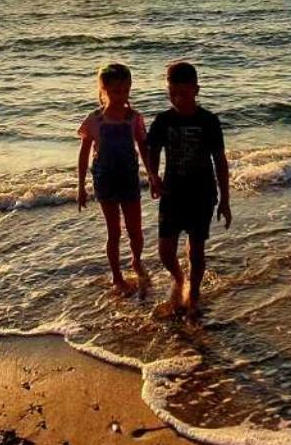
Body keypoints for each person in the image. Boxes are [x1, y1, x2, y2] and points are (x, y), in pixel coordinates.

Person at [146, 60, 230, 318]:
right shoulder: (163, 120)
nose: (178, 99)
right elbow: (152, 151)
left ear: (196, 89)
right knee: (165, 250)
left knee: (197, 249)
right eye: (172, 94)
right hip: (172, 193)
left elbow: (220, 160)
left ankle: (193, 293)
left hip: (202, 193)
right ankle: (179, 278)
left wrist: (225, 199)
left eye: (183, 93)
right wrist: (153, 176)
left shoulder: (209, 121)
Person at [77, 62, 157, 295]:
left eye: (125, 91)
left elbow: (144, 147)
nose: (121, 96)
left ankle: (136, 260)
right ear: (103, 90)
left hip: (129, 179)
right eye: (115, 91)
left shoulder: (134, 118)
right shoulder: (95, 120)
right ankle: (116, 276)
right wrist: (81, 186)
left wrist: (152, 175)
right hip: (105, 180)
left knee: (136, 230)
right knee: (114, 232)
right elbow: (83, 155)